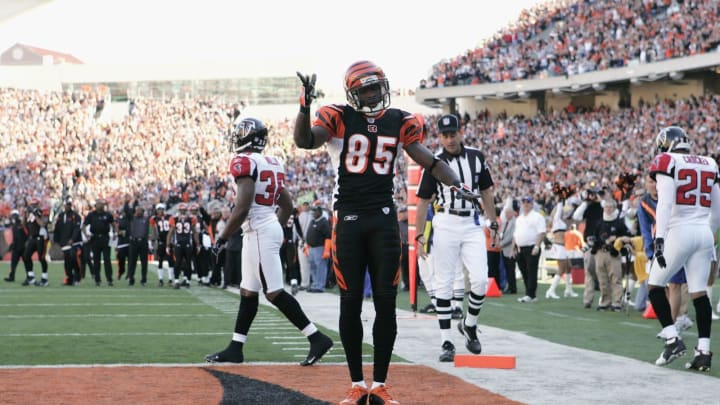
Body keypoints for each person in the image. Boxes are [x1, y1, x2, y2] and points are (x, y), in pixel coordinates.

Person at [294, 62, 480, 404]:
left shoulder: (399, 120)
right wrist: (304, 107)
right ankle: (355, 385)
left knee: (385, 305)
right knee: (349, 303)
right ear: (353, 92)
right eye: (365, 89)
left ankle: (379, 383)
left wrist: (458, 185)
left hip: (382, 220)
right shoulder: (337, 117)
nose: (373, 93)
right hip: (348, 219)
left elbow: (430, 160)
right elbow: (305, 140)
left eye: (376, 87)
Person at [205, 116, 333, 367]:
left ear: (246, 136)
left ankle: (316, 338)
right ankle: (236, 347)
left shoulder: (243, 161)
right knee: (248, 292)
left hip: (260, 230)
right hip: (262, 230)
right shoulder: (272, 162)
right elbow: (286, 204)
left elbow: (241, 208)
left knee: (274, 292)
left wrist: (221, 238)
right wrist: (277, 227)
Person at [415, 113, 499, 363]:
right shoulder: (434, 161)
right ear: (439, 136)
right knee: (444, 283)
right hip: (445, 222)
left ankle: (470, 324)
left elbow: (486, 190)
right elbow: (422, 201)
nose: (450, 139)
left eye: (453, 134)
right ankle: (446, 341)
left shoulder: (476, 156)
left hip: (472, 222)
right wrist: (419, 235)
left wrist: (493, 221)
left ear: (461, 132)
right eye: (445, 135)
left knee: (481, 280)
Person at [648, 126, 720, 371]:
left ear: (666, 143)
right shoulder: (710, 162)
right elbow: (717, 209)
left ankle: (672, 339)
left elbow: (666, 203)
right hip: (704, 231)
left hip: (680, 230)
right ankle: (704, 351)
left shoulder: (666, 160)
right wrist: (709, 237)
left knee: (654, 286)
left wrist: (659, 238)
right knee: (699, 293)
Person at [589, 197, 630, 311]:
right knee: (602, 278)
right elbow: (595, 236)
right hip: (600, 252)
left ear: (614, 208)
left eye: (610, 207)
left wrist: (616, 238)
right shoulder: (600, 222)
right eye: (606, 206)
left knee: (615, 278)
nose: (608, 209)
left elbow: (626, 236)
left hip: (614, 253)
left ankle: (617, 302)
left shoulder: (619, 222)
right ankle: (605, 302)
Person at [544, 187, 579, 299]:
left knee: (569, 266)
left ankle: (568, 290)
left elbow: (568, 211)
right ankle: (551, 290)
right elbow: (560, 208)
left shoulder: (560, 221)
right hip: (559, 246)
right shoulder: (557, 220)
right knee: (562, 268)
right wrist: (561, 198)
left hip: (562, 246)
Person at [573, 187, 604, 308]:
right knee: (589, 272)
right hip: (590, 243)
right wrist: (585, 201)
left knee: (602, 273)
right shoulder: (589, 207)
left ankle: (604, 299)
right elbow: (577, 216)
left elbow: (609, 208)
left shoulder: (604, 206)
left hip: (602, 243)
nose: (593, 196)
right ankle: (588, 299)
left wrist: (600, 198)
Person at [512, 196, 546, 302]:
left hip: (532, 247)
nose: (525, 204)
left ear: (532, 204)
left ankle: (531, 294)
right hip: (520, 248)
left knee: (531, 271)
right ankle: (529, 293)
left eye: (528, 202)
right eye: (524, 202)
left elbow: (541, 232)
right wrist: (513, 247)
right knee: (523, 271)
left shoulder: (537, 216)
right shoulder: (520, 218)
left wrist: (537, 246)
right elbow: (515, 234)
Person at [83, 198, 115, 286]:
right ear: (95, 205)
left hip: (105, 237)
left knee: (107, 259)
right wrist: (86, 235)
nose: (100, 206)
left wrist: (115, 233)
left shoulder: (108, 214)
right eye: (98, 204)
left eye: (101, 204)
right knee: (96, 260)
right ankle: (97, 279)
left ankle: (109, 279)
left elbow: (113, 224)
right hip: (95, 238)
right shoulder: (91, 215)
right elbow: (84, 225)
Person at [167, 202, 199, 289]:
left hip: (186, 243)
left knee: (186, 263)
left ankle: (186, 280)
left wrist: (198, 244)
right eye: (182, 210)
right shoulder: (177, 219)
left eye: (184, 210)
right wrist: (168, 244)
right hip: (181, 243)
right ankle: (178, 280)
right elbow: (171, 232)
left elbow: (194, 232)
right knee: (179, 263)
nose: (183, 212)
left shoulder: (189, 219)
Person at [53, 198, 81, 286]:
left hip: (73, 242)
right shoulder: (60, 216)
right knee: (67, 261)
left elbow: (77, 229)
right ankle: (69, 278)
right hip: (64, 242)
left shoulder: (75, 216)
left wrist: (72, 239)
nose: (67, 206)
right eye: (66, 205)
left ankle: (77, 276)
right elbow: (57, 229)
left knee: (73, 258)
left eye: (68, 205)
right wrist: (56, 240)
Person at [22, 197, 49, 286]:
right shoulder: (30, 213)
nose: (32, 206)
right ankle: (31, 277)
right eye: (31, 205)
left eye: (34, 205)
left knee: (41, 258)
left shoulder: (41, 212)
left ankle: (44, 278)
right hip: (32, 238)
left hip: (41, 237)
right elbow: (24, 225)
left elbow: (43, 223)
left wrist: (36, 215)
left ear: (38, 204)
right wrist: (25, 214)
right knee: (26, 256)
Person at [305, 204, 331, 293]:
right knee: (313, 267)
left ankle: (320, 286)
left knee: (321, 267)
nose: (313, 213)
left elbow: (328, 236)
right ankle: (315, 284)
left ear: (320, 212)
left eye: (315, 211)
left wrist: (327, 250)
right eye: (312, 211)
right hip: (311, 248)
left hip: (320, 248)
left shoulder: (324, 222)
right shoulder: (313, 221)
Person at [150, 203, 174, 287]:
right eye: (158, 209)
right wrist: (152, 241)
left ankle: (171, 280)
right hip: (160, 241)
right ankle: (160, 280)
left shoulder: (170, 217)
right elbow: (153, 231)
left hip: (169, 242)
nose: (160, 211)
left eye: (161, 209)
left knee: (170, 261)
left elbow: (173, 228)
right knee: (160, 261)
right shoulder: (154, 219)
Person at [127, 205, 153, 286]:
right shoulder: (132, 218)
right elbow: (127, 211)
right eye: (136, 210)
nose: (137, 212)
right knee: (132, 262)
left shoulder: (146, 219)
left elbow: (153, 213)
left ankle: (143, 279)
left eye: (139, 210)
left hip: (143, 242)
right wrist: (131, 202)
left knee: (144, 262)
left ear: (143, 211)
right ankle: (131, 278)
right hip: (134, 242)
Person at [500, 201, 519, 294]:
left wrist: (501, 243)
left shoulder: (514, 222)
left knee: (511, 270)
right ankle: (510, 286)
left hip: (510, 249)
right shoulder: (505, 222)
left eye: (508, 213)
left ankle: (512, 288)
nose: (506, 214)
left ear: (512, 213)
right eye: (505, 213)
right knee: (507, 270)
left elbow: (512, 236)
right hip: (504, 250)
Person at [4, 210, 27, 282]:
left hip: (23, 246)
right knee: (13, 263)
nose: (13, 217)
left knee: (27, 262)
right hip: (16, 246)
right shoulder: (13, 225)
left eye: (14, 215)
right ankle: (12, 276)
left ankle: (30, 276)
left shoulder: (21, 223)